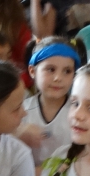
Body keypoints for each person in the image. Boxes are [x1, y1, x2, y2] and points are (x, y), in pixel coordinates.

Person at [17, 37, 80, 167]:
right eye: (51, 69)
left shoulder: (79, 113)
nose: (58, 78)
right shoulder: (20, 111)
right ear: (32, 71)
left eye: (67, 71)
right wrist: (16, 133)